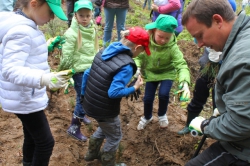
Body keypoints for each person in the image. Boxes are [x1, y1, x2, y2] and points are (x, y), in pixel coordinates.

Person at [0, 0, 69, 166]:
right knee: (45, 143)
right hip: (25, 98)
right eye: (51, 12)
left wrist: (46, 46)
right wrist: (43, 79)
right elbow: (10, 70)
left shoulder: (26, 24)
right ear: (34, 3)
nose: (53, 17)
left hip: (24, 95)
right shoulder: (22, 31)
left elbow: (26, 54)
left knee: (31, 136)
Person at [182, 0, 250, 165]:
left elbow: (241, 123)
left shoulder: (242, 60)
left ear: (218, 21)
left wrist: (206, 126)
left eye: (200, 35)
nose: (199, 45)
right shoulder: (243, 34)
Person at [81, 27, 150, 165]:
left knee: (105, 127)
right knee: (115, 136)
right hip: (105, 109)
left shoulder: (104, 51)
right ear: (137, 47)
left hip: (91, 103)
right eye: (142, 51)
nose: (140, 54)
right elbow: (113, 93)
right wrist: (134, 87)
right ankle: (108, 162)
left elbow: (87, 74)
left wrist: (83, 95)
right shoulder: (127, 66)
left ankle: (92, 153)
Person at [177, 0, 237, 135]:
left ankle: (217, 131)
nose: (198, 44)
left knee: (219, 102)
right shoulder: (202, 9)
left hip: (222, 68)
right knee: (199, 94)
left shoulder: (226, 5)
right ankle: (189, 124)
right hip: (208, 64)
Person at [135, 14, 191, 130]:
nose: (163, 40)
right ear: (154, 31)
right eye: (160, 36)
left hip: (167, 73)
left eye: (167, 38)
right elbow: (138, 57)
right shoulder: (146, 42)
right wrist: (137, 68)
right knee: (148, 98)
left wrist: (184, 82)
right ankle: (147, 116)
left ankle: (161, 114)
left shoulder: (172, 48)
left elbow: (181, 64)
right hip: (151, 73)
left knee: (164, 94)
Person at [59, 0, 98, 142]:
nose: (85, 19)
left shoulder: (92, 28)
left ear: (92, 15)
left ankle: (82, 114)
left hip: (89, 68)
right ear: (75, 15)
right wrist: (63, 71)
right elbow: (67, 54)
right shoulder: (72, 33)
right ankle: (74, 127)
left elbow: (94, 48)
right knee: (83, 98)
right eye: (81, 15)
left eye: (88, 15)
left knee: (84, 96)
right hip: (79, 71)